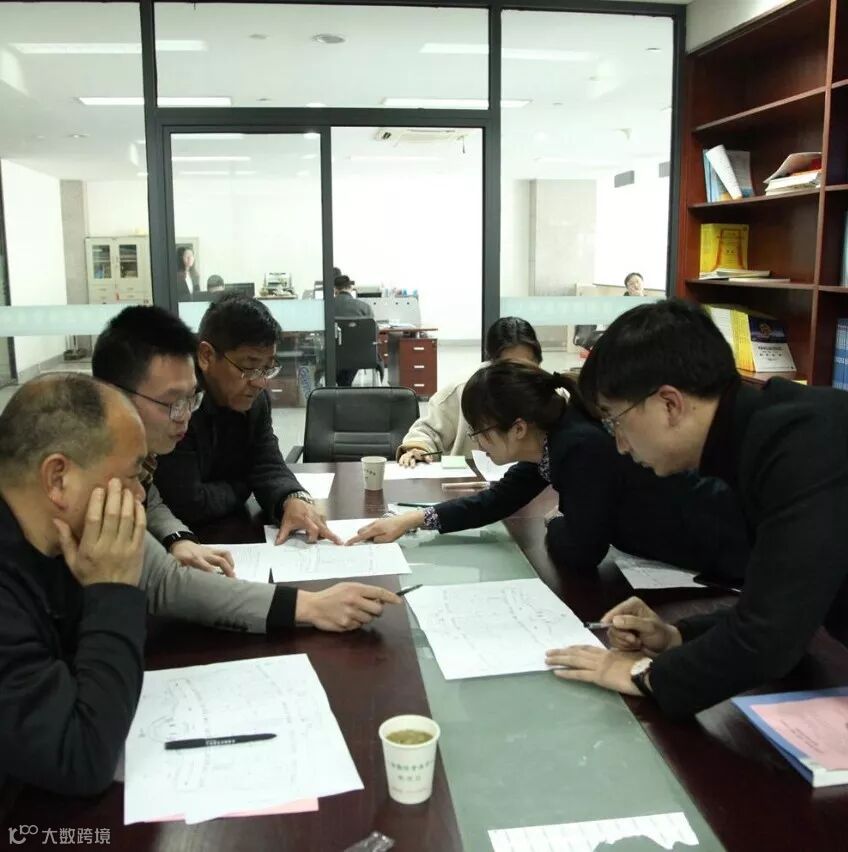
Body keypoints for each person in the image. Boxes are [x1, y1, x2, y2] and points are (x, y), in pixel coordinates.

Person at [546, 298, 848, 718]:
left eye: (615, 421)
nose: (620, 445)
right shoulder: (758, 436)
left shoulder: (802, 445)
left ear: (669, 404)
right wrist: (676, 637)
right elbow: (783, 603)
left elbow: (767, 639)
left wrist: (642, 675)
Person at [94, 306, 399, 633]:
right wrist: (308, 606)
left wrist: (177, 537)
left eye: (191, 399)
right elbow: (167, 579)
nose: (184, 415)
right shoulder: (95, 477)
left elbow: (151, 497)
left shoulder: (134, 461)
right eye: (173, 403)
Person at [350, 360, 749, 583]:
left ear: (518, 428)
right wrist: (412, 520)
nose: (477, 442)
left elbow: (580, 552)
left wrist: (556, 522)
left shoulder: (579, 446)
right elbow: (498, 500)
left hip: (713, 553)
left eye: (481, 432)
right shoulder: (551, 437)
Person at [0, 374, 148, 795]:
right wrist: (113, 591)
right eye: (133, 475)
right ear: (58, 479)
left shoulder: (56, 545)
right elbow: (81, 757)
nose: (139, 495)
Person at [154, 295, 338, 545]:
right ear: (206, 356)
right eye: (249, 367)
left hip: (231, 531)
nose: (260, 382)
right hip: (178, 541)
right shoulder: (179, 404)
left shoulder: (254, 400)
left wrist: (292, 497)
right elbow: (188, 502)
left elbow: (267, 462)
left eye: (268, 367)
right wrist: (246, 482)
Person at [397, 316, 543, 467]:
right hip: (473, 475)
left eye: (527, 366)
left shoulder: (546, 395)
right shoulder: (465, 390)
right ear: (491, 365)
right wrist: (418, 449)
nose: (519, 376)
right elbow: (427, 432)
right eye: (509, 368)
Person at [333, 274, 375, 387]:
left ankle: (341, 384)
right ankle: (345, 384)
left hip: (334, 355)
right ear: (350, 288)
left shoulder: (326, 307)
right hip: (360, 355)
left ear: (335, 289)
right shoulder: (364, 307)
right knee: (351, 357)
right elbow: (373, 333)